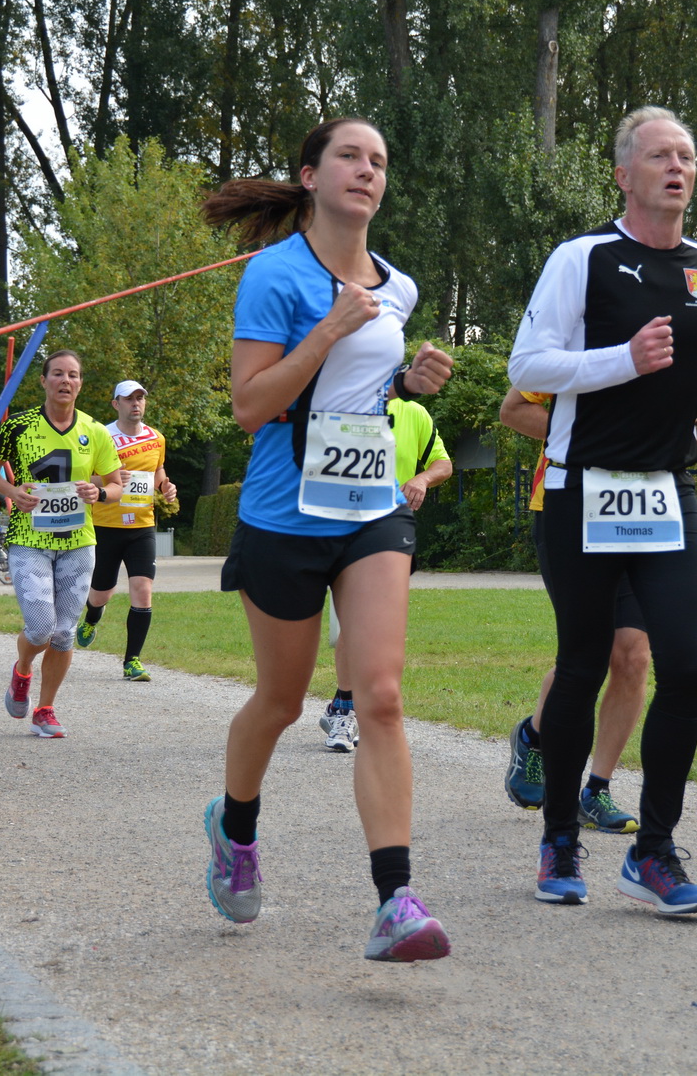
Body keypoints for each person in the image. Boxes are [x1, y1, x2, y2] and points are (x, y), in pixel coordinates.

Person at [200, 116, 455, 961]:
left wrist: (407, 380)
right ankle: (235, 828)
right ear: (311, 175)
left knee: (379, 694)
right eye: (350, 155)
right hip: (285, 513)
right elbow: (250, 406)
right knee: (280, 701)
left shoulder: (399, 285)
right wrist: (330, 328)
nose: (367, 169)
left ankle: (396, 900)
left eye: (379, 160)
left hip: (372, 507)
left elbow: (364, 394)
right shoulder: (274, 274)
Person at [507, 106, 697, 914]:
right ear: (623, 174)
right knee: (582, 665)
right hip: (581, 487)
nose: (678, 167)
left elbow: (694, 358)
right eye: (660, 155)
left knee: (687, 665)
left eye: (688, 155)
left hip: (667, 488)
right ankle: (559, 837)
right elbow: (528, 365)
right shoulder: (583, 258)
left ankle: (654, 850)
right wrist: (623, 359)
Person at [500, 388, 697, 834]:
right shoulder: (576, 344)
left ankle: (597, 789)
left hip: (651, 506)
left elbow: (671, 426)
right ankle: (534, 736)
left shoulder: (683, 352)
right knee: (587, 655)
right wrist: (604, 437)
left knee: (633, 655)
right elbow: (513, 410)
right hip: (573, 502)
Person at [0, 350, 123, 739]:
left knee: (64, 632)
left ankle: (45, 709)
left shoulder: (95, 430)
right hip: (29, 539)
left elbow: (116, 484)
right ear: (44, 381)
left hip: (78, 542)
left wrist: (99, 492)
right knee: (42, 627)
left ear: (80, 384)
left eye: (73, 375)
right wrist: (13, 492)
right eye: (57, 374)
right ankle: (22, 670)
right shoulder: (18, 426)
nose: (65, 380)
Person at [316, 394, 453, 752]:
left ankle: (348, 707)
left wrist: (422, 478)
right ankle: (346, 710)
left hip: (391, 529)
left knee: (379, 627)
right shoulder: (337, 399)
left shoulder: (414, 412)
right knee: (356, 620)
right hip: (340, 524)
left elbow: (443, 464)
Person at [75, 380, 178, 682]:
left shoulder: (156, 438)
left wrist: (165, 486)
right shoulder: (100, 435)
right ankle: (91, 618)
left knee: (143, 590)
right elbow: (82, 476)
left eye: (140, 398)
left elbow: (158, 471)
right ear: (115, 404)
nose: (136, 403)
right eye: (129, 399)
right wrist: (108, 480)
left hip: (142, 526)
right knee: (100, 594)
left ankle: (132, 661)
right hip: (105, 526)